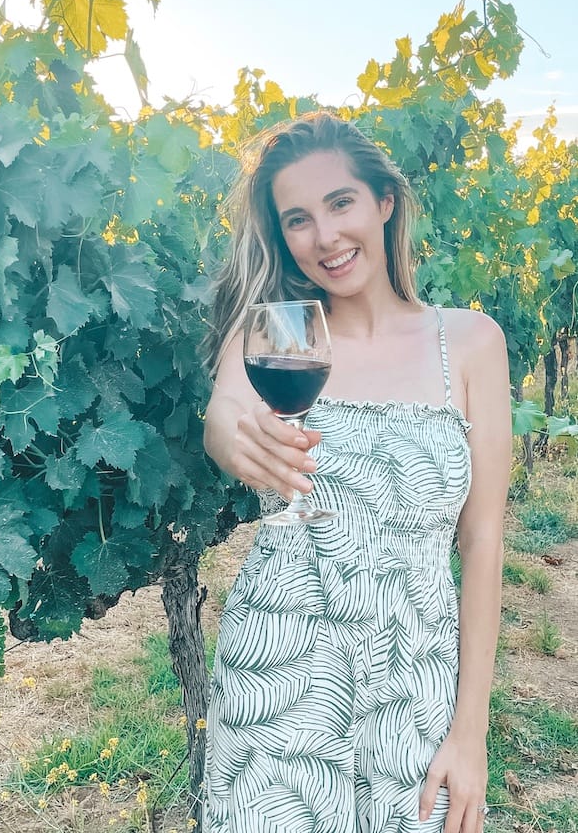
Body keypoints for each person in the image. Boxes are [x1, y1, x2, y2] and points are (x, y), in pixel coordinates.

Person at [200, 113, 511, 833]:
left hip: (415, 678)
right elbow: (225, 413)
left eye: (341, 203)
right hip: (281, 668)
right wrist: (230, 437)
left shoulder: (468, 343)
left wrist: (471, 733)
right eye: (298, 219)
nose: (326, 236)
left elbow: (485, 540)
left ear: (383, 202)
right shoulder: (278, 333)